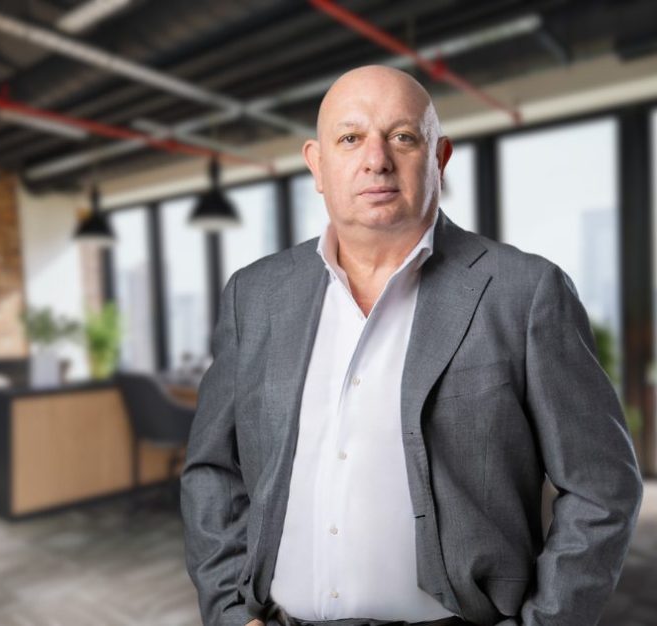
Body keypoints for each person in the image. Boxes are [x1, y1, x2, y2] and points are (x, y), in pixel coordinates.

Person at [181, 65, 643, 626]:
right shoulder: (254, 296)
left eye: (402, 137)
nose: (376, 159)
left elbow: (601, 487)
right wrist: (230, 612)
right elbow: (212, 469)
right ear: (317, 165)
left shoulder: (524, 293)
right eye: (350, 138)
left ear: (439, 157)